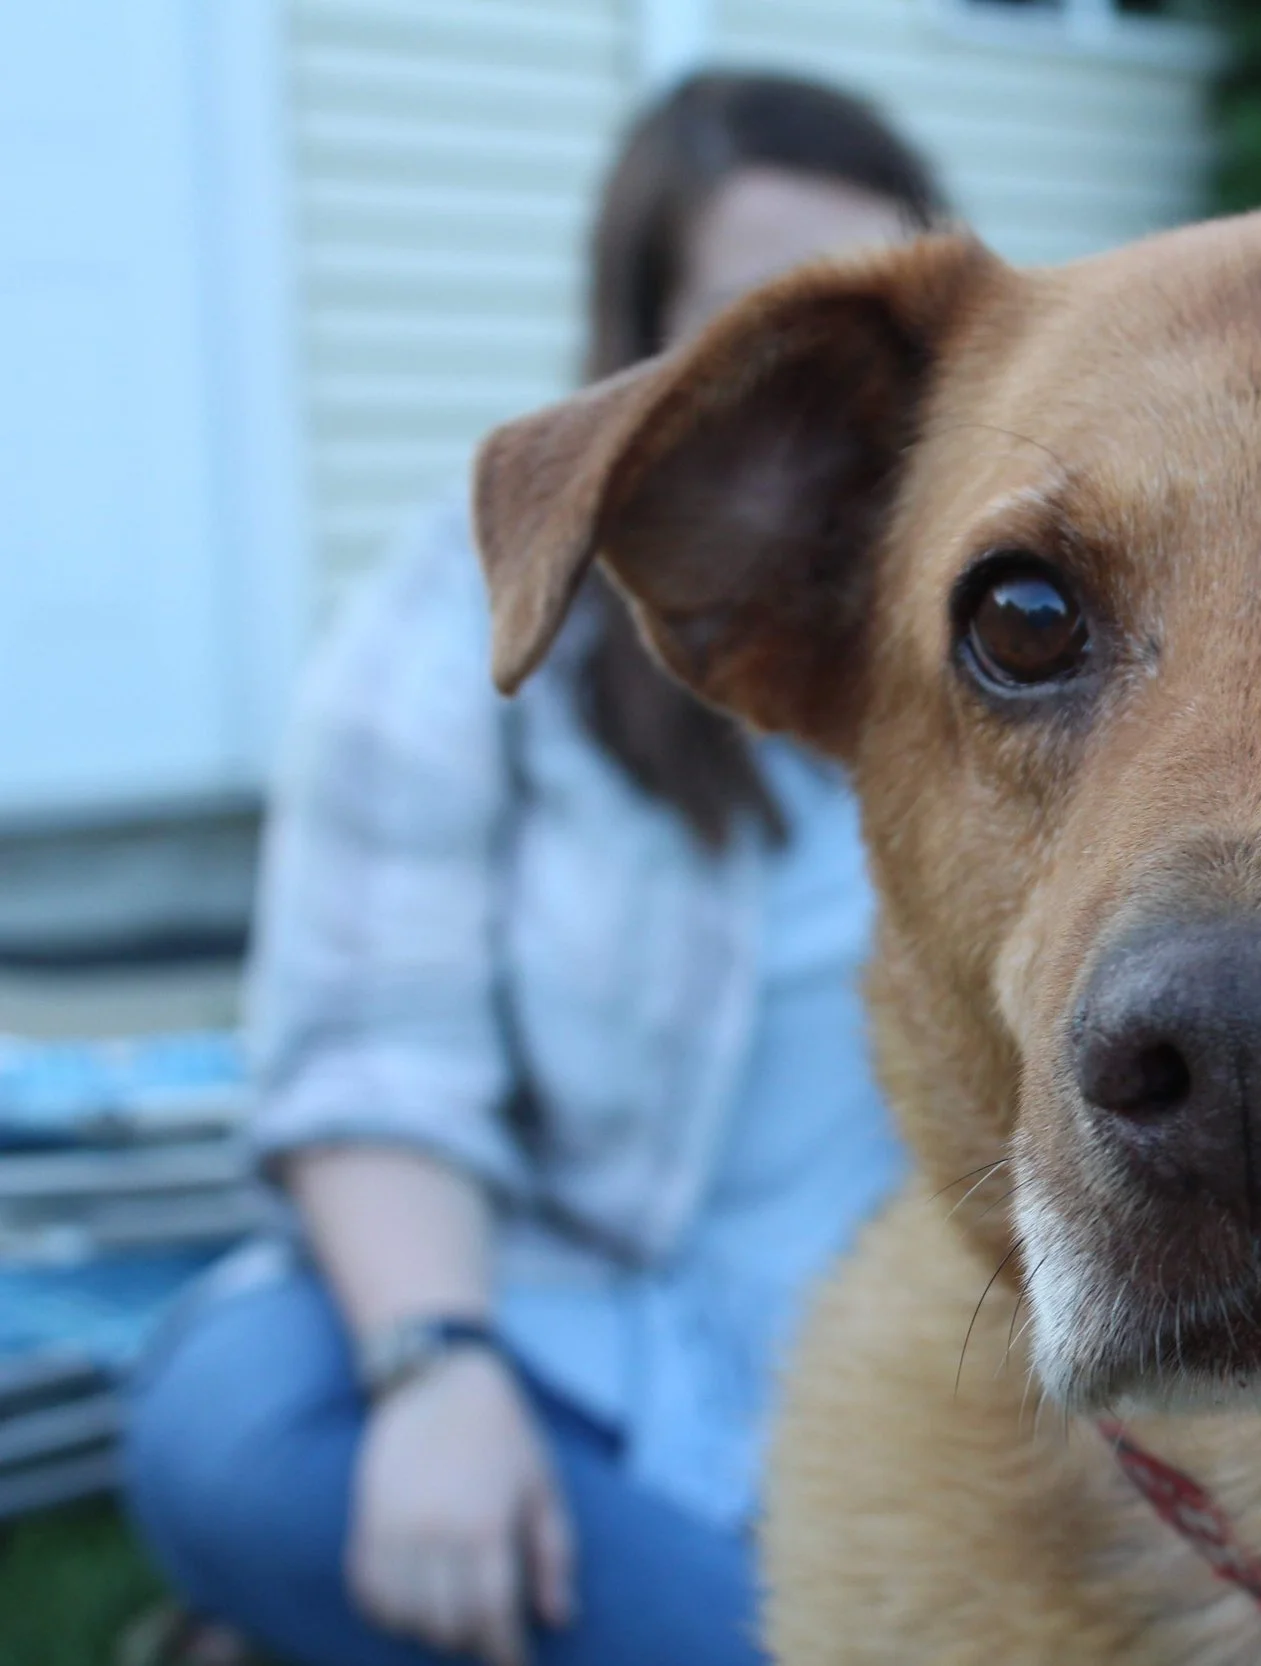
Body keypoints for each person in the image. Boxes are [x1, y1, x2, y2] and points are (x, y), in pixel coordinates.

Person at [120, 72, 945, 1666]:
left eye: (880, 334)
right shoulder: (465, 609)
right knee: (231, 1425)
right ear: (649, 357)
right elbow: (374, 1051)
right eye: (770, 324)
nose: (838, 389)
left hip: (909, 1340)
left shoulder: (1005, 620)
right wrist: (436, 1367)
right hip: (563, 1311)